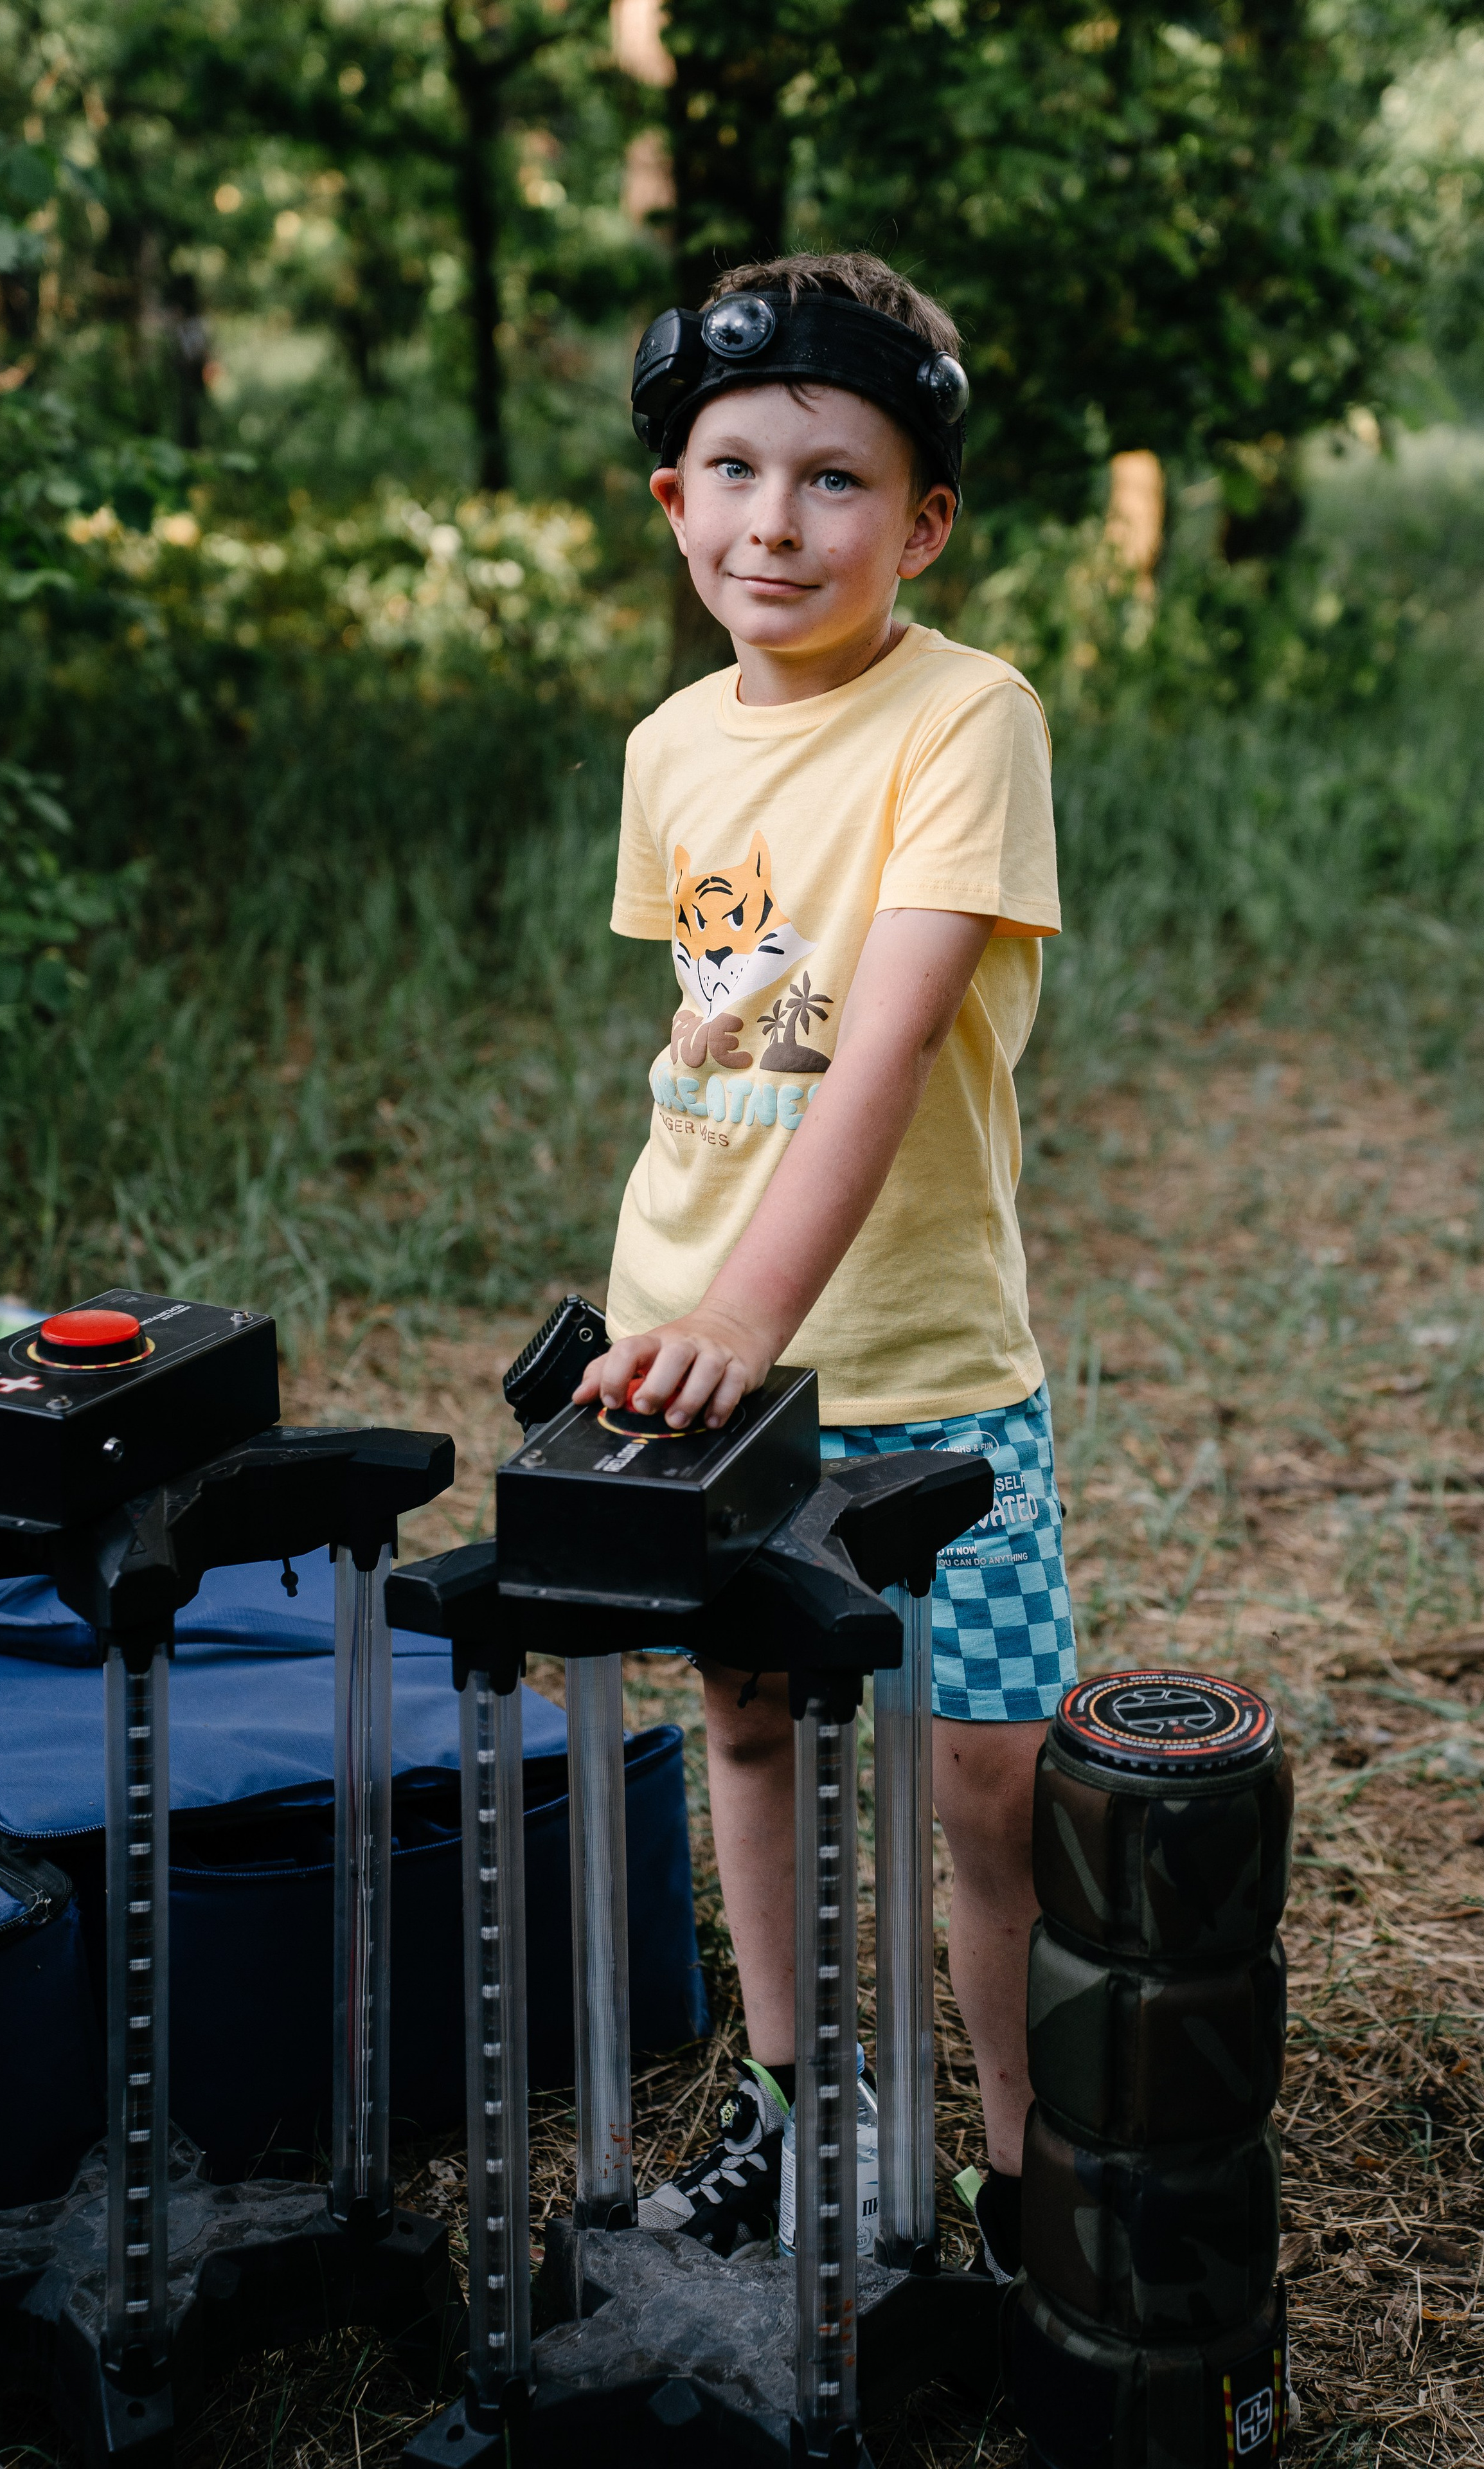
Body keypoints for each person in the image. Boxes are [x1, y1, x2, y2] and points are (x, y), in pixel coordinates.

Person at [573, 250, 1077, 2285]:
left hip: (919, 1348)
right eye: (733, 471)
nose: (779, 522)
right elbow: (715, 1043)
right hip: (692, 1354)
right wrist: (681, 1324)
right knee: (756, 1726)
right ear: (675, 504)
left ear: (927, 518)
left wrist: (747, 1320)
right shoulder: (669, 745)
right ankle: (795, 2110)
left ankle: (1033, 2173)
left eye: (838, 480)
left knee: (986, 1784)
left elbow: (872, 1054)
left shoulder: (968, 717)